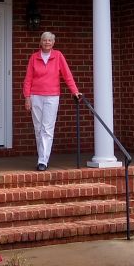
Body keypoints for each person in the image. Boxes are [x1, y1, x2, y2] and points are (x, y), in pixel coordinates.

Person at [22, 31, 81, 171]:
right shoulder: (34, 57)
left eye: (50, 40)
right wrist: (27, 97)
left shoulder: (58, 56)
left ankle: (43, 160)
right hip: (36, 96)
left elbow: (67, 75)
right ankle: (42, 156)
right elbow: (28, 79)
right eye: (45, 40)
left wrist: (75, 91)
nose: (47, 42)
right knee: (38, 129)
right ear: (40, 42)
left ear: (53, 43)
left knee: (47, 129)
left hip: (52, 96)